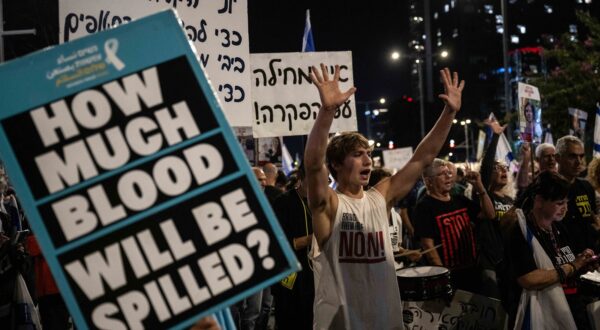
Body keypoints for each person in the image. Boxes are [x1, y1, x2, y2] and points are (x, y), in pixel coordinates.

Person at [305, 64, 464, 329]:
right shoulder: (330, 205)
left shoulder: (381, 197)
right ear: (335, 164)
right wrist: (327, 111)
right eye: (357, 155)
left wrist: (449, 112)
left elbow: (422, 158)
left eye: (368, 153)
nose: (367, 160)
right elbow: (312, 165)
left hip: (385, 321)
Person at [505, 171, 599, 329]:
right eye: (559, 203)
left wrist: (583, 264)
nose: (565, 208)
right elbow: (528, 279)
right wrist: (573, 266)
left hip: (571, 309)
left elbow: (566, 264)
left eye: (566, 202)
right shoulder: (522, 231)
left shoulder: (559, 226)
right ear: (540, 201)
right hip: (543, 315)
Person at [414, 159, 495, 293]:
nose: (448, 176)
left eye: (449, 173)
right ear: (428, 181)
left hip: (473, 272)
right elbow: (429, 246)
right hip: (451, 277)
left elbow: (490, 214)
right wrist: (442, 279)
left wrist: (479, 187)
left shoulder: (459, 199)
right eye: (442, 174)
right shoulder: (424, 207)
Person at [271, 163, 314, 330]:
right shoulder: (283, 202)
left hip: (315, 279)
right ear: (301, 179)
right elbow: (280, 245)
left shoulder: (324, 203)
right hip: (290, 281)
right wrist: (314, 238)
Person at [477, 118, 516, 299]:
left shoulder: (509, 199)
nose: (504, 171)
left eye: (505, 169)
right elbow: (485, 169)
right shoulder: (485, 196)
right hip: (490, 263)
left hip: (509, 260)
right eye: (497, 169)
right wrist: (495, 137)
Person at [555, 135, 600, 254]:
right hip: (564, 258)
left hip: (589, 255)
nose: (579, 162)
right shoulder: (548, 187)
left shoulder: (586, 186)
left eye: (581, 156)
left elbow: (591, 219)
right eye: (572, 156)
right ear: (558, 158)